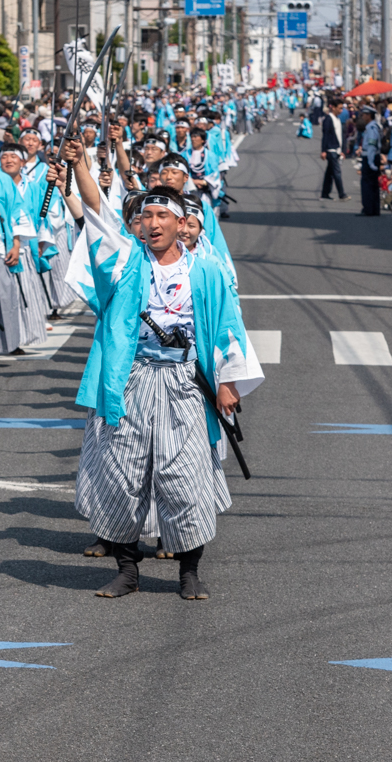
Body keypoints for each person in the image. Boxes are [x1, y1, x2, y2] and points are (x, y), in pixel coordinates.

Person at [62, 138, 247, 601]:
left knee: (184, 477)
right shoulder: (125, 260)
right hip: (130, 379)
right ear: (139, 225)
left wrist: (226, 382)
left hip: (186, 382)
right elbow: (95, 209)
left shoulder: (205, 271)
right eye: (147, 217)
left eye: (164, 216)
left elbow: (228, 328)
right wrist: (80, 162)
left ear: (182, 223)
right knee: (121, 476)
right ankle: (127, 569)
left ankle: (189, 572)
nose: (154, 223)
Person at [320, 98, 349, 201]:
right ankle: (342, 194)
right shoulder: (328, 119)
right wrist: (323, 150)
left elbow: (341, 136)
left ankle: (325, 193)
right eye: (340, 108)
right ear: (333, 107)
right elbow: (326, 136)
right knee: (337, 172)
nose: (341, 111)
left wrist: (343, 150)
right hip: (331, 150)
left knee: (330, 173)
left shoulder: (337, 119)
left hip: (337, 149)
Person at [358, 106, 382, 216]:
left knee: (367, 184)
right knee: (372, 184)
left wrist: (371, 163)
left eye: (364, 114)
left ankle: (369, 209)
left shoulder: (372, 128)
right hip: (369, 156)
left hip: (369, 157)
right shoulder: (370, 127)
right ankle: (373, 209)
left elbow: (372, 146)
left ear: (369, 115)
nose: (362, 116)